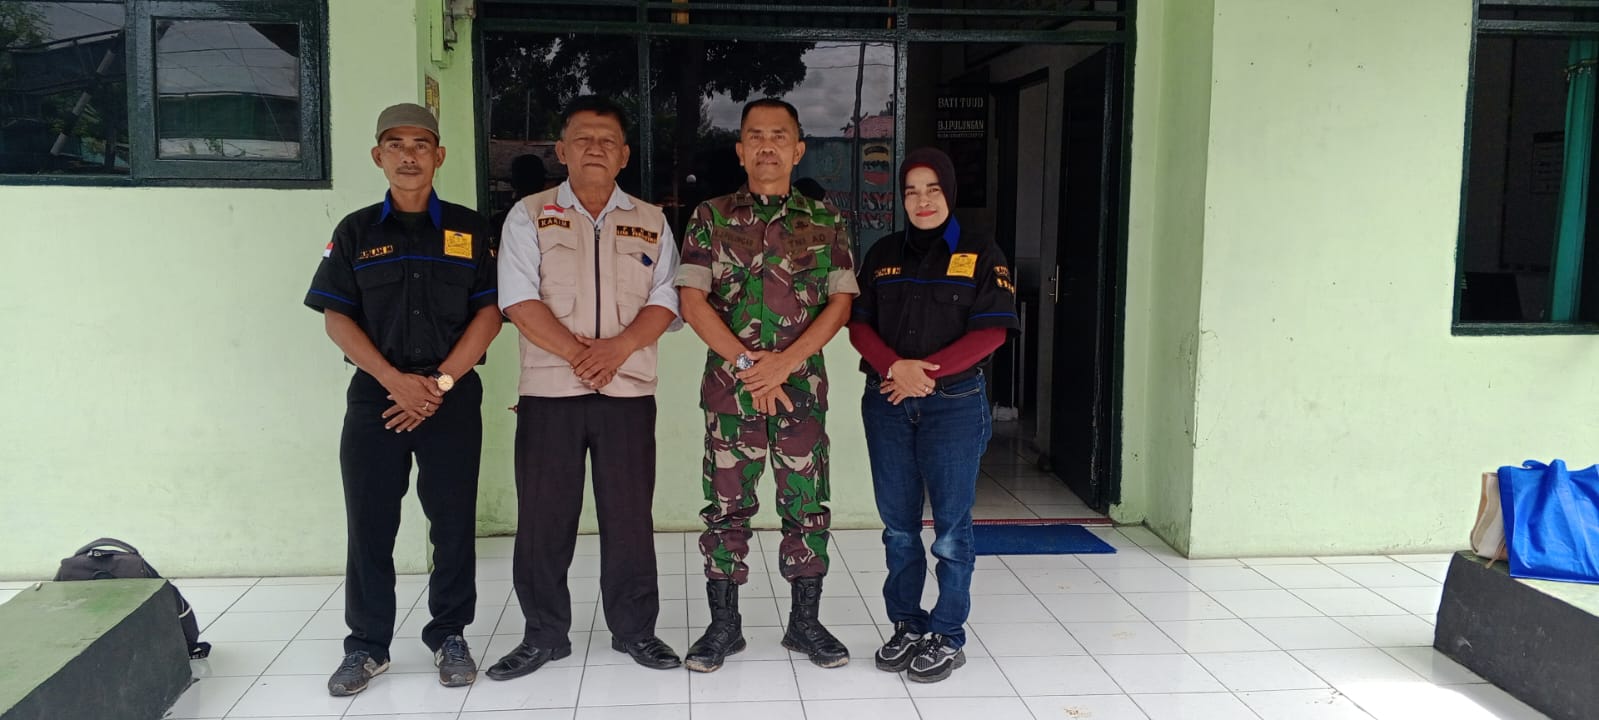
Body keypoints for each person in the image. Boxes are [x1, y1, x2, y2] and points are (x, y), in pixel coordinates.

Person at [303, 103, 501, 696]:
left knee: (453, 523)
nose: (408, 155)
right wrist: (394, 380)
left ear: (439, 155)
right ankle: (367, 645)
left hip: (451, 397)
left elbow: (490, 314)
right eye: (395, 144)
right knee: (370, 523)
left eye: (420, 144)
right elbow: (336, 318)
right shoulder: (356, 231)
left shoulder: (470, 229)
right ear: (378, 156)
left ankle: (450, 635)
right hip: (377, 397)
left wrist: (437, 384)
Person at [487, 96, 684, 680]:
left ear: (624, 155)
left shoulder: (651, 220)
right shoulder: (528, 215)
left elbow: (667, 298)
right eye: (583, 138)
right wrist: (580, 355)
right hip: (551, 393)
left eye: (607, 141)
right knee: (543, 519)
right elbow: (517, 299)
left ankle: (635, 631)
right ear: (561, 150)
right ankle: (544, 635)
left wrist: (616, 351)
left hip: (627, 392)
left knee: (629, 519)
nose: (595, 148)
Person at [674, 98, 859, 673]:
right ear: (740, 150)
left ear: (798, 148)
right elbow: (692, 301)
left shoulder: (825, 221)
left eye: (779, 136)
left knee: (806, 505)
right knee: (726, 508)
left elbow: (840, 303)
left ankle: (805, 625)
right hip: (731, 393)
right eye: (755, 136)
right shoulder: (710, 217)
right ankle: (724, 627)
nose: (767, 146)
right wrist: (749, 364)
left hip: (799, 392)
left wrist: (784, 365)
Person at [848, 147, 1018, 683]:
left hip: (953, 407)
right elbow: (858, 325)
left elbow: (992, 332)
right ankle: (907, 624)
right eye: (911, 191)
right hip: (888, 404)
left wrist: (924, 374)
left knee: (950, 531)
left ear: (949, 193)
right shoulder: (882, 254)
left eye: (932, 189)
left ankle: (947, 634)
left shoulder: (981, 251)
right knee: (899, 529)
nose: (922, 201)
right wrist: (895, 368)